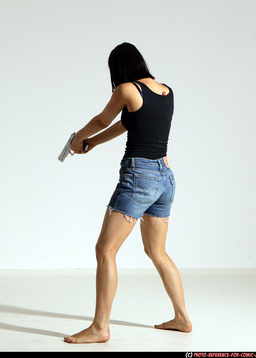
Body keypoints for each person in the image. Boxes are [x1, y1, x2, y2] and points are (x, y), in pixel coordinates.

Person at [64, 42, 192, 344]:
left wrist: (78, 137)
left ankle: (99, 328)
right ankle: (182, 319)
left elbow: (101, 120)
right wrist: (93, 143)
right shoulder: (165, 91)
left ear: (118, 69)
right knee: (157, 252)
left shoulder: (125, 89)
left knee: (105, 251)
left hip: (139, 177)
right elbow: (126, 124)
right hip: (165, 178)